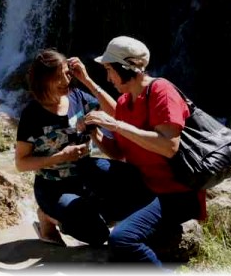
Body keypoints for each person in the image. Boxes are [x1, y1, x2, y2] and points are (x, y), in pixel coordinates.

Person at [83, 36, 207, 265]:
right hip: (145, 183)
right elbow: (119, 154)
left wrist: (116, 125)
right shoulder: (124, 101)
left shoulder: (161, 90)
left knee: (122, 240)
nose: (108, 77)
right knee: (88, 167)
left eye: (110, 70)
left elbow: (169, 146)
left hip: (176, 193)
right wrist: (95, 133)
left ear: (127, 67)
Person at [15, 49, 148, 246]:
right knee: (98, 236)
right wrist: (57, 157)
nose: (65, 82)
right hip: (52, 186)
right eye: (57, 77)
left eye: (67, 74)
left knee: (137, 180)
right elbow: (21, 163)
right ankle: (48, 217)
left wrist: (87, 80)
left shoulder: (78, 96)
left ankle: (93, 211)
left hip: (87, 173)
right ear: (43, 80)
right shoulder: (32, 115)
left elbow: (117, 113)